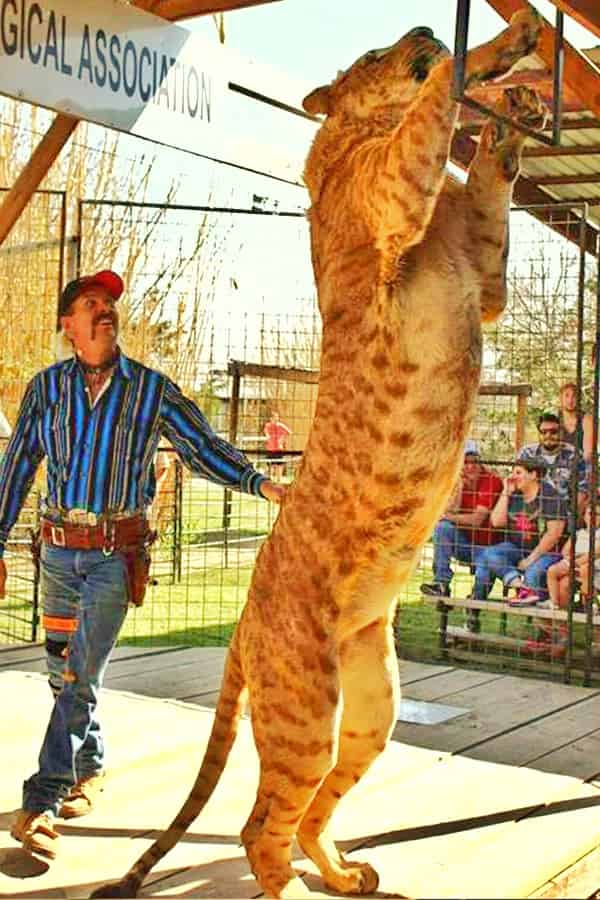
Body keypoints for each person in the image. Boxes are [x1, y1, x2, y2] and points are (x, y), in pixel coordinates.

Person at [2, 270, 284, 861]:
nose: (104, 311)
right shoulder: (45, 388)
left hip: (113, 558)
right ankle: (90, 765)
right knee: (62, 671)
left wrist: (258, 483)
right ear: (68, 325)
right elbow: (18, 467)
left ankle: (42, 801)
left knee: (80, 673)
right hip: (56, 554)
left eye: (109, 304)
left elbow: (202, 448)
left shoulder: (151, 390)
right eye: (90, 304)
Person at [470, 459, 567, 627]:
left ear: (534, 475)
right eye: (512, 472)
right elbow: (496, 522)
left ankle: (545, 631)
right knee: (488, 556)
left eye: (518, 472)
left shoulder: (550, 495)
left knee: (533, 573)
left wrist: (530, 560)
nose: (513, 477)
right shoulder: (514, 494)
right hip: (517, 548)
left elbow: (554, 534)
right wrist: (506, 492)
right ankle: (476, 612)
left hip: (548, 552)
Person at [420, 440, 503, 598]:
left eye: (474, 462)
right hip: (465, 545)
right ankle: (441, 584)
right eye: (465, 462)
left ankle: (473, 614)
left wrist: (449, 516)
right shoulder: (458, 481)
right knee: (443, 528)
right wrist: (460, 486)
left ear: (481, 462)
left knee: (481, 586)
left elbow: (477, 520)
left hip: (489, 549)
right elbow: (450, 512)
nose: (470, 467)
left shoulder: (491, 481)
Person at [528, 500, 600, 654]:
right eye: (589, 513)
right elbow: (565, 552)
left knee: (576, 576)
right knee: (562, 584)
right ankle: (562, 636)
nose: (593, 517)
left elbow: (594, 554)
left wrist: (575, 562)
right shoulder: (580, 534)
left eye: (598, 514)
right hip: (574, 568)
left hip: (592, 570)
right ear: (584, 516)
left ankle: (589, 627)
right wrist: (571, 561)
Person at [518, 412, 587, 517]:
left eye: (553, 432)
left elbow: (582, 489)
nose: (548, 436)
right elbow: (517, 484)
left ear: (561, 433)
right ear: (538, 433)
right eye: (543, 432)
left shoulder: (574, 454)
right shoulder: (527, 453)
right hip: (531, 512)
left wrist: (571, 517)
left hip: (562, 512)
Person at [557, 381, 593, 460]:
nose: (570, 400)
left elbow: (588, 452)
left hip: (580, 464)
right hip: (558, 465)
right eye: (566, 395)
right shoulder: (554, 419)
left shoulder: (586, 420)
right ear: (560, 398)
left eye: (574, 396)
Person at [263, 410, 291, 480]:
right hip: (270, 449)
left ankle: (279, 480)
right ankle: (270, 479)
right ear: (271, 418)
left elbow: (289, 432)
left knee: (279, 465)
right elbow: (266, 433)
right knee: (271, 465)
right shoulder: (268, 425)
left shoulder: (280, 425)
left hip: (279, 449)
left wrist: (282, 439)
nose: (276, 418)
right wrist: (268, 437)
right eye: (274, 417)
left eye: (277, 417)